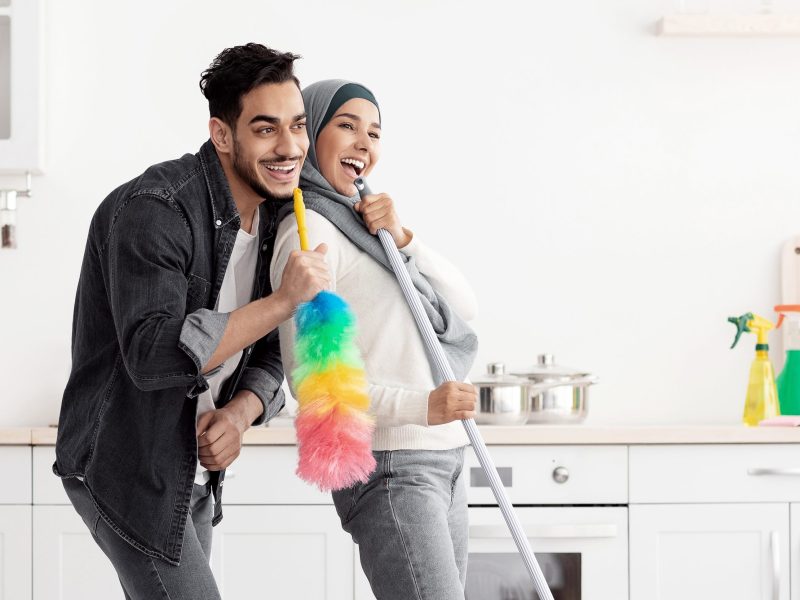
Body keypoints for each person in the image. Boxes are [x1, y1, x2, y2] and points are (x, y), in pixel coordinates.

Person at [53, 43, 330, 600]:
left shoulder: (282, 216)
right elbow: (155, 354)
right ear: (222, 134)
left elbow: (278, 348)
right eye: (266, 129)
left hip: (194, 468)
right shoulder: (155, 209)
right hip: (128, 464)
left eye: (297, 126)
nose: (290, 147)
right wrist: (282, 301)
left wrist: (241, 411)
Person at [270, 79, 479, 600]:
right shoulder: (308, 232)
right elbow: (317, 388)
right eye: (346, 126)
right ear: (312, 133)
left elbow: (463, 306)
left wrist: (406, 237)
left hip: (446, 457)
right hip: (394, 466)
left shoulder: (369, 232)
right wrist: (423, 406)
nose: (364, 143)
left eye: (375, 133)